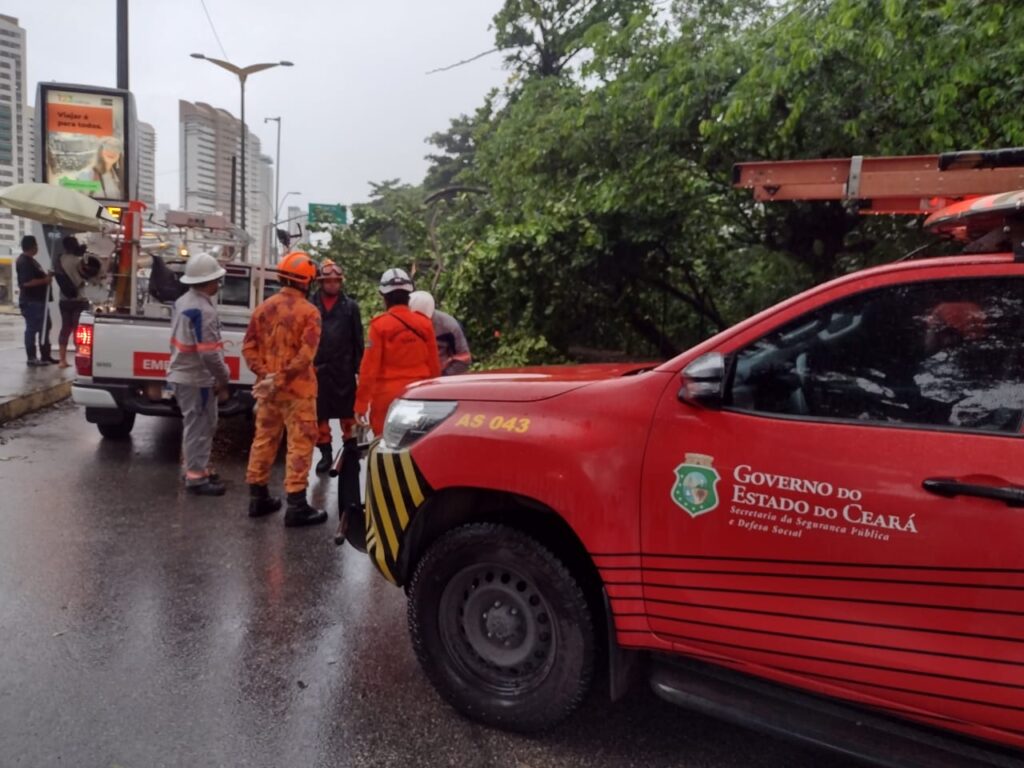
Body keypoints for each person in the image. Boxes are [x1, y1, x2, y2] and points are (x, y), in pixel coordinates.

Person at [243, 251, 327, 527]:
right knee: (300, 445)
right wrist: (280, 377)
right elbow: (306, 355)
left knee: (264, 440)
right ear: (307, 281)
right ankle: (296, 505)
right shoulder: (310, 312)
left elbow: (249, 347)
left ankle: (258, 497)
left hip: (268, 391)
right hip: (299, 391)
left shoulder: (263, 308)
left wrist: (266, 375)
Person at [167, 253, 231, 497]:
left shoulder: (183, 301)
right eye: (216, 279)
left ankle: (198, 468)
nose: (219, 284)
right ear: (208, 281)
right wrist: (223, 378)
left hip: (184, 374)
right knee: (200, 426)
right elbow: (209, 355)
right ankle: (196, 477)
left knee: (198, 424)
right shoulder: (203, 310)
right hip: (197, 378)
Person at [355, 268, 441, 436]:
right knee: (419, 444)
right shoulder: (424, 324)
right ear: (409, 295)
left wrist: (361, 405)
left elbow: (369, 369)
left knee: (386, 446)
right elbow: (434, 365)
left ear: (384, 297)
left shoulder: (379, 326)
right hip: (420, 394)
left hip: (388, 400)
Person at [311, 259, 364, 475]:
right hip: (318, 369)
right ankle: (325, 453)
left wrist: (359, 369)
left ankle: (350, 449)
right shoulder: (311, 305)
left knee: (348, 413)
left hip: (343, 368)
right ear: (321, 283)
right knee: (319, 414)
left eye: (336, 281)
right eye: (328, 281)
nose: (333, 285)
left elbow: (357, 339)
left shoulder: (350, 307)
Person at [54, 236, 101, 368]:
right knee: (79, 331)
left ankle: (62, 360)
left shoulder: (59, 260)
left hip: (64, 299)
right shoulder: (79, 261)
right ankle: (79, 359)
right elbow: (90, 277)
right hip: (80, 299)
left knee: (65, 329)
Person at [409, 290, 472, 375]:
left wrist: (443, 377)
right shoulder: (402, 325)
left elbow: (464, 358)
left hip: (444, 378)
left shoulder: (449, 326)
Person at [15, 235, 56, 367]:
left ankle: (45, 356)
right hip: (31, 302)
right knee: (32, 329)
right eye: (36, 244)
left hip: (40, 301)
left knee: (45, 328)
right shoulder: (24, 261)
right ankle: (32, 357)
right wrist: (44, 280)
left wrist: (47, 276)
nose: (37, 247)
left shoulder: (32, 261)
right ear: (32, 246)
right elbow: (26, 283)